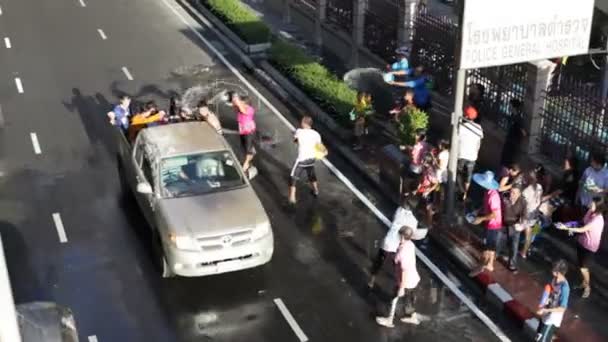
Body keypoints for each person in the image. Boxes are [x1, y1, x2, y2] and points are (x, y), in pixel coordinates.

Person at [556, 196, 605, 298]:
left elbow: (583, 229)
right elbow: (581, 222)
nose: (590, 204)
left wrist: (567, 227)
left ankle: (587, 287)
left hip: (590, 247)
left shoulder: (598, 219)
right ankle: (584, 284)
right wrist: (570, 225)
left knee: (584, 268)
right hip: (581, 242)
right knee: (581, 266)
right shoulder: (589, 212)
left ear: (598, 206)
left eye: (592, 204)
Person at [376, 226, 422, 328]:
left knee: (394, 299)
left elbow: (404, 270)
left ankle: (389, 319)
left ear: (401, 236)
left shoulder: (402, 252)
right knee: (408, 300)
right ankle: (413, 317)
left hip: (405, 282)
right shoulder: (410, 245)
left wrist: (401, 287)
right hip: (413, 279)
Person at [368, 197, 418, 289]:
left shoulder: (398, 211)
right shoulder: (414, 222)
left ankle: (371, 280)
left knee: (379, 261)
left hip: (388, 243)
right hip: (398, 247)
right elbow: (410, 234)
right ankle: (399, 286)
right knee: (398, 268)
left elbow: (395, 218)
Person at [469, 171, 502, 277]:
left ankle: (481, 265)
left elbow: (494, 214)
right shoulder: (487, 192)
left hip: (493, 224)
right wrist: (478, 211)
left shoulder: (493, 196)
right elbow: (486, 206)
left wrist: (481, 219)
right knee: (491, 245)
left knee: (487, 246)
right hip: (491, 223)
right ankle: (490, 264)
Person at [288, 116, 322, 204]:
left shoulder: (299, 131)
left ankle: (292, 197)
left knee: (293, 177)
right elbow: (319, 146)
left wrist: (295, 135)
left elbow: (295, 141)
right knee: (311, 174)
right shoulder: (316, 134)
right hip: (312, 159)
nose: (300, 123)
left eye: (302, 122)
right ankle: (316, 190)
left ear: (305, 123)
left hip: (302, 159)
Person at [535, 260, 570, 342]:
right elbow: (551, 290)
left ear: (558, 272)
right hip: (546, 312)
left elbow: (562, 308)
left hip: (553, 318)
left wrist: (547, 310)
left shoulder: (564, 288)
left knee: (543, 340)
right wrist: (544, 300)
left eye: (553, 269)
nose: (551, 270)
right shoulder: (555, 279)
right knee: (538, 335)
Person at [541, 156, 579, 222]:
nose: (564, 164)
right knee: (545, 210)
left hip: (565, 199)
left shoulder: (571, 175)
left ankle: (540, 226)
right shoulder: (571, 173)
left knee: (544, 208)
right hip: (562, 197)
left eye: (565, 163)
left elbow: (560, 190)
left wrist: (546, 197)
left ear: (570, 164)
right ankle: (545, 222)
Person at [457, 108, 483, 201]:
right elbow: (479, 143)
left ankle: (461, 191)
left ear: (466, 116)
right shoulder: (479, 128)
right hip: (473, 156)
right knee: (468, 176)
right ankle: (465, 194)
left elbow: (457, 139)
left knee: (458, 173)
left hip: (462, 154)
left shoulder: (462, 127)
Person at [500, 185, 526, 271]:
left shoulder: (523, 202)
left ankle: (512, 264)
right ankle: (496, 254)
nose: (511, 194)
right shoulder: (505, 198)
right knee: (498, 241)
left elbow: (524, 216)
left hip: (515, 226)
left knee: (514, 246)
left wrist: (521, 224)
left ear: (519, 194)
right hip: (503, 224)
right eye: (511, 192)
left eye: (514, 193)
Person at [521, 170, 543, 259]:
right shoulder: (540, 187)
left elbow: (523, 204)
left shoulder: (526, 190)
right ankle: (526, 249)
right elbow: (540, 201)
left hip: (527, 214)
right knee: (532, 234)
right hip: (535, 214)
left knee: (528, 235)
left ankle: (524, 252)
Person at [233, 93, 257, 174]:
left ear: (246, 103)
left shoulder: (250, 109)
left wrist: (238, 102)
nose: (241, 104)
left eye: (242, 102)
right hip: (242, 131)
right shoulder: (240, 108)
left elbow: (243, 111)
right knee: (243, 146)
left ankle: (246, 163)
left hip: (249, 132)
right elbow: (236, 108)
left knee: (247, 149)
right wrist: (235, 102)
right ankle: (250, 154)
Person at [414, 154, 439, 229]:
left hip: (428, 191)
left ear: (426, 161)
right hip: (424, 188)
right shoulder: (425, 168)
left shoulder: (430, 172)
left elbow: (436, 184)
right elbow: (422, 178)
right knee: (424, 205)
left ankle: (429, 224)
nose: (421, 160)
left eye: (422, 159)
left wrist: (428, 191)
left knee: (429, 208)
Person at [500, 99, 527, 166]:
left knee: (508, 162)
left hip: (513, 144)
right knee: (504, 160)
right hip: (509, 141)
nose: (509, 107)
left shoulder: (518, 118)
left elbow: (524, 133)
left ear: (514, 107)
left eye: (510, 106)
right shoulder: (512, 116)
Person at [436, 140, 450, 209]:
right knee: (442, 191)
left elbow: (440, 166)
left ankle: (439, 207)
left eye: (439, 144)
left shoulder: (441, 154)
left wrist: (434, 159)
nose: (438, 146)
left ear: (443, 145)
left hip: (440, 174)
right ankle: (442, 207)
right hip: (445, 174)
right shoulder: (448, 153)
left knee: (439, 192)